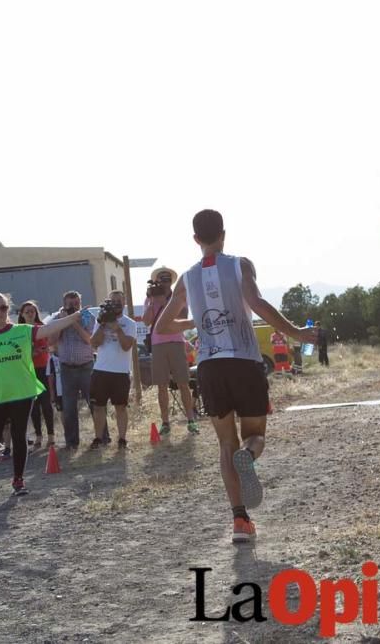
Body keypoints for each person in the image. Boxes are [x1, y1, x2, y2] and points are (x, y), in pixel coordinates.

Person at [156, 209, 317, 544]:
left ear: (196, 239)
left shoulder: (186, 277)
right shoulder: (240, 264)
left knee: (225, 444)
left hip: (210, 367)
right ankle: (251, 455)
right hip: (244, 361)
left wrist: (199, 321)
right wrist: (296, 332)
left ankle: (240, 522)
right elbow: (257, 303)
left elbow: (162, 326)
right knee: (254, 435)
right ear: (223, 234)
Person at [0, 292, 83, 503]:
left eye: (3, 308)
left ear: (9, 310)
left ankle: (18, 481)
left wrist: (74, 316)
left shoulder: (22, 331)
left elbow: (48, 329)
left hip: (22, 393)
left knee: (19, 436)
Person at [142, 266, 199, 435]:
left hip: (176, 342)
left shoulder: (178, 297)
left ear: (171, 281)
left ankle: (191, 420)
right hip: (158, 345)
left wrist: (166, 304)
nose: (164, 282)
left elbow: (182, 317)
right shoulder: (151, 298)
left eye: (167, 279)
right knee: (161, 385)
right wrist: (153, 303)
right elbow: (146, 321)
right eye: (161, 279)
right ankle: (165, 422)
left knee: (183, 382)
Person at [51, 291, 107, 450]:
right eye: (70, 304)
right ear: (64, 304)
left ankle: (103, 437)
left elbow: (89, 339)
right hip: (67, 368)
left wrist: (74, 322)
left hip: (86, 366)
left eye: (77, 304)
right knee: (69, 407)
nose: (74, 307)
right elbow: (52, 341)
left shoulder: (88, 316)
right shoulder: (58, 318)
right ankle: (71, 442)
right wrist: (62, 321)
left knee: (95, 404)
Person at [88, 291, 138, 450]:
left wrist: (117, 329)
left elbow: (126, 346)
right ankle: (98, 438)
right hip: (101, 370)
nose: (116, 304)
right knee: (98, 406)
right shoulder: (100, 321)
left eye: (119, 301)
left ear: (124, 303)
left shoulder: (130, 323)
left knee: (121, 407)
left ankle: (122, 439)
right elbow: (94, 343)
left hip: (120, 372)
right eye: (113, 301)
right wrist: (103, 324)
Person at [18, 300, 55, 447]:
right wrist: (31, 352)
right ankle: (39, 435)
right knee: (33, 406)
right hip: (28, 371)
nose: (30, 314)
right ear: (22, 314)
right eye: (27, 312)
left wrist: (47, 349)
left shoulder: (42, 328)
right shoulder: (19, 331)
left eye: (32, 311)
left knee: (46, 403)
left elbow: (50, 343)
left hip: (43, 369)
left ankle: (51, 435)